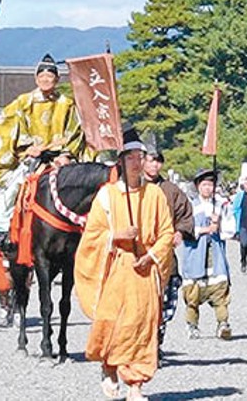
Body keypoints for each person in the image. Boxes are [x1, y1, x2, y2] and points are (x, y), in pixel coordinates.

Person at [0, 53, 95, 325]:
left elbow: (77, 135)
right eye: (42, 76)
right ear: (36, 78)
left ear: (57, 79)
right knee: (3, 205)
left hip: (62, 163)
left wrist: (66, 155)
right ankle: (6, 242)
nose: (47, 80)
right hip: (32, 163)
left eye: (51, 76)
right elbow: (6, 132)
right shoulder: (21, 104)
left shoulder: (68, 104)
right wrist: (26, 149)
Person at [74, 127, 174, 400]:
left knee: (142, 326)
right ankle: (109, 365)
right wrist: (116, 235)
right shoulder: (107, 195)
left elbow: (166, 232)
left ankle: (136, 385)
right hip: (116, 266)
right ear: (121, 160)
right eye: (130, 156)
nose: (136, 161)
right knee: (113, 323)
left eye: (140, 156)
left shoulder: (155, 195)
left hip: (144, 269)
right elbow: (92, 234)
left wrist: (151, 255)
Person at [142, 147, 194, 364]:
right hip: (137, 254)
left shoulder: (171, 190)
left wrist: (180, 231)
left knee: (164, 304)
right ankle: (139, 349)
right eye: (151, 160)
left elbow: (185, 213)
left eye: (158, 161)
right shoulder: (130, 187)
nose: (155, 165)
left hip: (164, 257)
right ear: (142, 161)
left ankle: (156, 345)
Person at [182, 169, 232, 341]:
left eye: (210, 184)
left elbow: (230, 230)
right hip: (195, 254)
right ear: (197, 186)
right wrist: (204, 230)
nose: (208, 188)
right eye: (204, 185)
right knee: (193, 294)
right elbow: (184, 229)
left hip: (215, 255)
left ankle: (223, 322)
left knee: (220, 290)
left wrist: (219, 224)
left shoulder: (221, 206)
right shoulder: (190, 205)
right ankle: (192, 325)